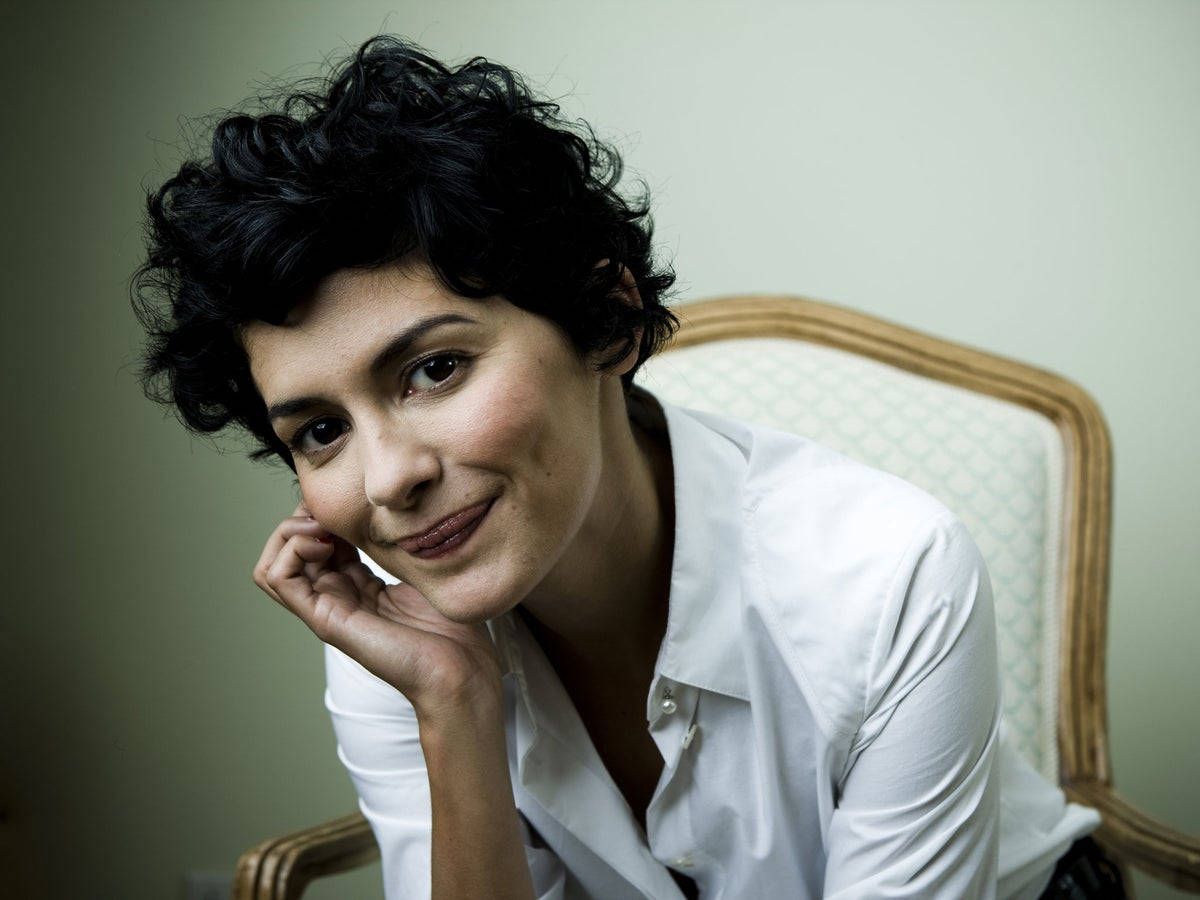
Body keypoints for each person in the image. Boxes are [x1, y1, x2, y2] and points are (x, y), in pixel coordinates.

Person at [133, 35, 1125, 900]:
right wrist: (452, 704)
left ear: (603, 319)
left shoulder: (890, 572)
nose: (387, 479)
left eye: (434, 369)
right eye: (317, 432)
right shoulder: (398, 634)